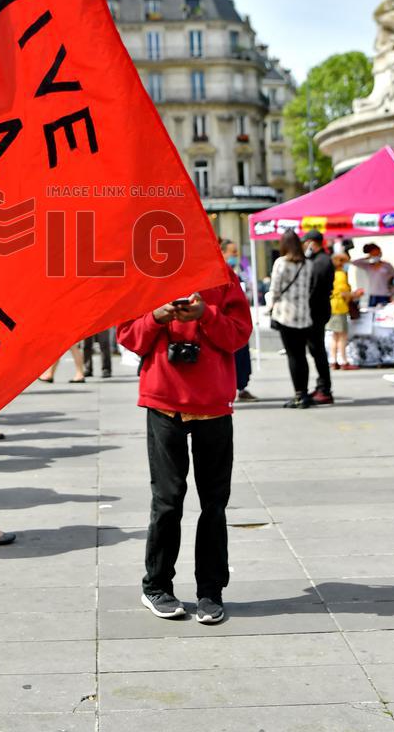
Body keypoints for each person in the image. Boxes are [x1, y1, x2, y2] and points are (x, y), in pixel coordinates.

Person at [117, 271, 251, 625]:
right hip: (163, 401)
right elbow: (128, 336)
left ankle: (210, 591)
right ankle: (156, 585)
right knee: (167, 500)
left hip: (213, 405)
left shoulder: (224, 279)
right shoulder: (146, 276)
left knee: (214, 503)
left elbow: (238, 335)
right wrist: (156, 317)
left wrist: (206, 315)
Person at [269, 230, 313, 408]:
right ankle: (304, 393)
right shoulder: (307, 264)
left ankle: (298, 395)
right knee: (302, 356)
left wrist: (270, 306)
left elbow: (275, 289)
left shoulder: (281, 263)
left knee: (293, 356)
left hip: (286, 315)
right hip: (304, 315)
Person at [220, 240, 257, 401]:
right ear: (222, 252)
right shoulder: (220, 272)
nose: (235, 255)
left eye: (236, 252)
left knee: (242, 358)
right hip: (226, 323)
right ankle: (229, 389)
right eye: (232, 252)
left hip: (239, 321)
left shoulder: (240, 270)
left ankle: (242, 386)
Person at [303, 230, 335, 404]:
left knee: (318, 351)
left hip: (316, 311)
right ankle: (322, 385)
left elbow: (314, 288)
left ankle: (324, 388)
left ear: (311, 242)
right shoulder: (318, 260)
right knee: (316, 350)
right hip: (318, 310)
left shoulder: (321, 261)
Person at [328, 254, 362, 371]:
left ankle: (333, 360)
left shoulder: (331, 274)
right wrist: (355, 294)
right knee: (342, 336)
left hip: (332, 306)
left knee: (334, 336)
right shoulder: (341, 275)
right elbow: (343, 293)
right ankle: (343, 360)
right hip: (340, 307)